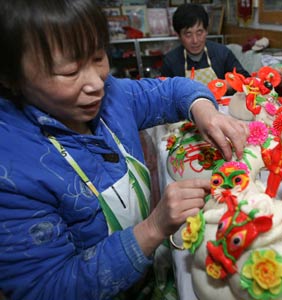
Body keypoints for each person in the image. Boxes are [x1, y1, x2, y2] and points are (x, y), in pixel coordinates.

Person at [0, 0, 248, 299]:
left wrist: (205, 111)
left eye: (98, 57)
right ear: (11, 77)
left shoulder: (114, 95)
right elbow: (46, 288)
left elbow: (173, 91)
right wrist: (153, 228)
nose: (96, 83)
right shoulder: (12, 171)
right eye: (69, 72)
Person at [160, 3, 250, 86]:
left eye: (199, 33)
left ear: (206, 31)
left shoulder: (222, 53)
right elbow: (163, 93)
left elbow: (246, 79)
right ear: (178, 35)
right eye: (188, 34)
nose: (195, 40)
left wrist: (226, 84)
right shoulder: (171, 61)